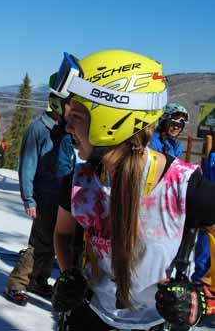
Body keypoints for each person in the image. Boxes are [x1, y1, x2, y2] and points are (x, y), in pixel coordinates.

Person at [51, 50, 215, 330]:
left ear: (110, 118)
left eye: (76, 116)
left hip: (157, 323)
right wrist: (69, 274)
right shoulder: (80, 182)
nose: (67, 126)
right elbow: (62, 233)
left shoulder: (183, 187)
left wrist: (206, 299)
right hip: (91, 318)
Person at [3, 76, 75, 306]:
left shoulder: (65, 130)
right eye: (69, 105)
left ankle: (39, 279)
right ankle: (17, 283)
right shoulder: (39, 129)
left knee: (55, 243)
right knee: (40, 243)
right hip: (44, 196)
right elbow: (27, 165)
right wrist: (29, 198)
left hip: (63, 196)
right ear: (57, 105)